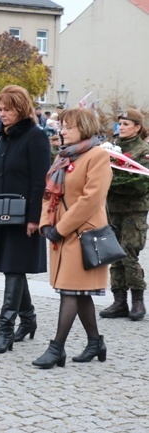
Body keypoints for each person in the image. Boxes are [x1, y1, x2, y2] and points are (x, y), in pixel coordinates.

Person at [31, 107, 112, 369]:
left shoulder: (97, 156)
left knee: (70, 291)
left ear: (85, 128)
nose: (62, 131)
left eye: (68, 127)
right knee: (79, 291)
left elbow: (91, 200)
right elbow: (49, 193)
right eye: (62, 126)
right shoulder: (63, 157)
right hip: (62, 234)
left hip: (83, 234)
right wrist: (45, 223)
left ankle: (57, 348)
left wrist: (61, 228)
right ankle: (95, 342)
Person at [0, 85, 51, 354]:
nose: (2, 114)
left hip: (23, 216)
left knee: (14, 268)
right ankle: (28, 319)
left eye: (7, 109)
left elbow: (40, 181)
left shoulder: (36, 137)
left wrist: (34, 218)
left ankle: (5, 329)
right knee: (12, 268)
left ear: (21, 109)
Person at [100, 108, 149, 321]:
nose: (121, 127)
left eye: (126, 124)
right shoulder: (112, 149)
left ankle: (137, 300)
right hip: (113, 209)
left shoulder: (143, 151)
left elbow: (141, 184)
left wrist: (110, 185)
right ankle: (119, 301)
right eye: (120, 123)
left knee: (129, 253)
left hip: (134, 210)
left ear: (138, 127)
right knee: (114, 255)